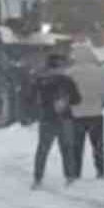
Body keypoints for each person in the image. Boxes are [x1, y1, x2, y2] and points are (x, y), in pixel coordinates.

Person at [30, 53, 81, 188]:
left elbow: (31, 98)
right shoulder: (67, 81)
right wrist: (65, 101)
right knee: (67, 149)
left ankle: (38, 178)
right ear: (61, 66)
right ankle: (70, 176)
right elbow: (77, 100)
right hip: (65, 118)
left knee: (43, 149)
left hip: (47, 119)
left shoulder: (40, 81)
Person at [67, 44, 104, 179]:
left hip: (77, 114)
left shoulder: (70, 73)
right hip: (96, 113)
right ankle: (100, 170)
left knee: (76, 146)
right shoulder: (100, 71)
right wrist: (102, 103)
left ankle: (76, 172)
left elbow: (66, 93)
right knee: (98, 146)